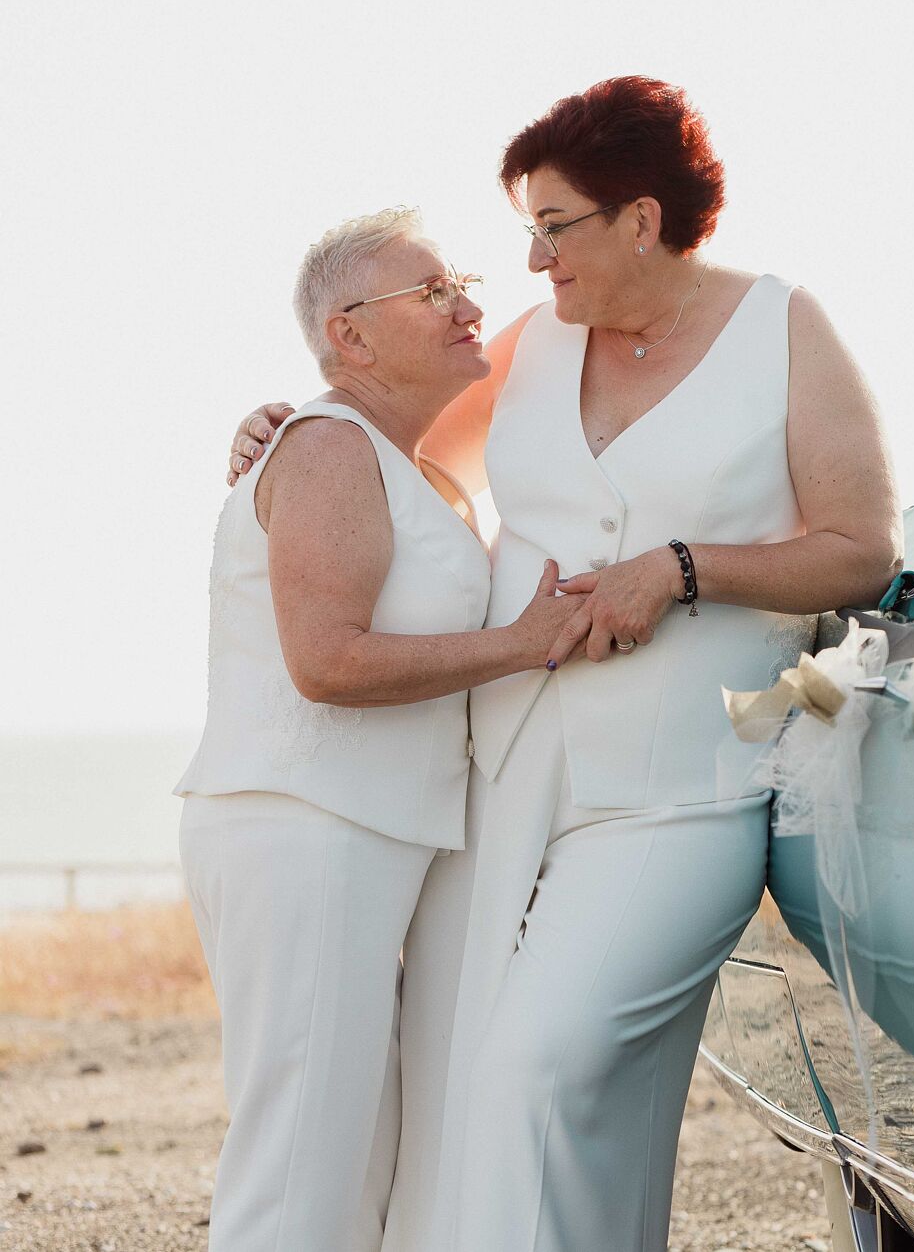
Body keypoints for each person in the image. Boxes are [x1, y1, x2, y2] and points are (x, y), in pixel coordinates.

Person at [229, 77, 902, 1251]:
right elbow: (379, 435)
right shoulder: (530, 349)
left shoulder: (784, 329)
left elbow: (858, 550)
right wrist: (280, 429)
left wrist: (683, 569)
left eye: (552, 227)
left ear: (639, 218)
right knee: (468, 1106)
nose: (531, 263)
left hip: (679, 790)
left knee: (540, 1074)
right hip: (504, 789)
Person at [179, 208, 586, 1251]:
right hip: (303, 828)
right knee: (299, 1168)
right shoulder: (327, 446)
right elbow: (328, 662)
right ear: (350, 336)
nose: (469, 305)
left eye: (463, 282)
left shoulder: (397, 459)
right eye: (434, 290)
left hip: (363, 834)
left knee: (355, 1158)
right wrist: (526, 642)